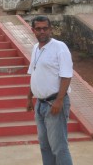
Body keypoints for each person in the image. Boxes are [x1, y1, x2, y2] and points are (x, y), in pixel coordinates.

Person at [26, 15, 74, 165]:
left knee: (59, 147)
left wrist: (59, 101)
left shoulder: (60, 48)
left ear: (50, 29)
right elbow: (34, 73)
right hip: (40, 104)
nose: (42, 32)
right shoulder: (35, 48)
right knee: (45, 146)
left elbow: (66, 76)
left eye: (45, 28)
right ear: (33, 30)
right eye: (38, 29)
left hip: (54, 103)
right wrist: (29, 97)